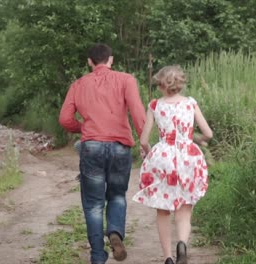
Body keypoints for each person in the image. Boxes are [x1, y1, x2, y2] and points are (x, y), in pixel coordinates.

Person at [59, 43, 146, 264]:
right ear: (111, 60)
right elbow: (137, 112)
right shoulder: (127, 80)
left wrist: (85, 127)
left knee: (93, 204)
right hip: (120, 147)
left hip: (92, 147)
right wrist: (145, 143)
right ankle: (115, 231)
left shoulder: (78, 85)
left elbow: (65, 119)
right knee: (117, 195)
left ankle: (98, 255)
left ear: (89, 61)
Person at [132, 65, 213, 264]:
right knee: (185, 207)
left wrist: (152, 154)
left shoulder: (155, 105)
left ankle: (168, 257)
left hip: (163, 156)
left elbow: (143, 140)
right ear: (181, 84)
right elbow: (209, 134)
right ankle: (182, 245)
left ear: (160, 84)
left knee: (163, 209)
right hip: (188, 156)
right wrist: (197, 139)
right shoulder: (190, 104)